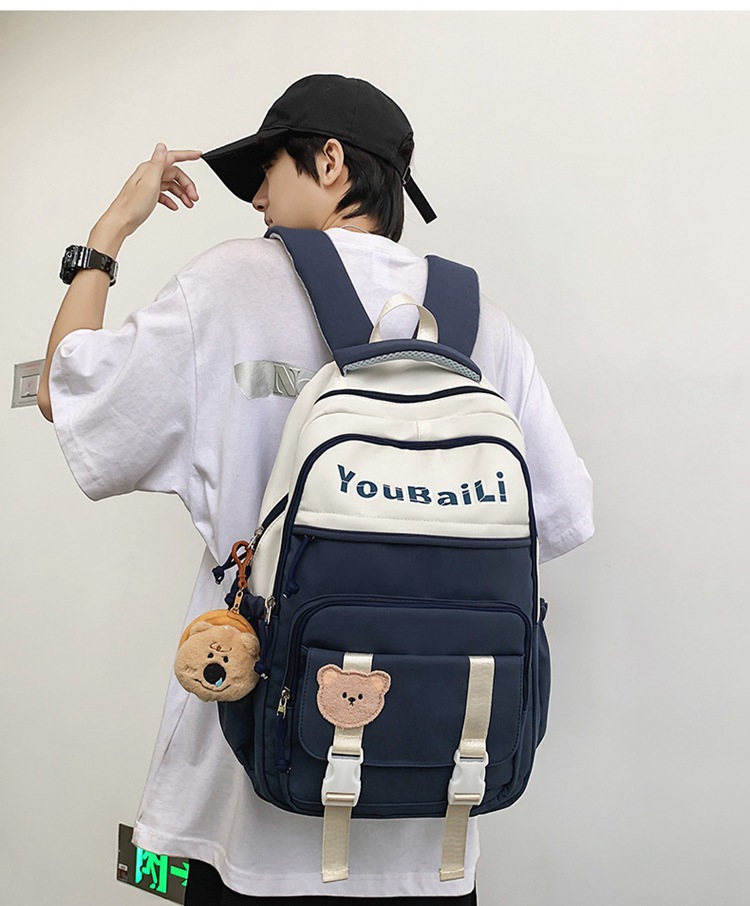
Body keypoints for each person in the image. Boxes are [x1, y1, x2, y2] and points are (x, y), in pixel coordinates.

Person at [38, 74, 594, 905]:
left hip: (240, 812)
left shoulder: (230, 284)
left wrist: (107, 233)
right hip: (433, 828)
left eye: (267, 172)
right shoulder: (483, 326)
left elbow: (66, 390)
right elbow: (562, 516)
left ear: (330, 162)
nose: (257, 199)